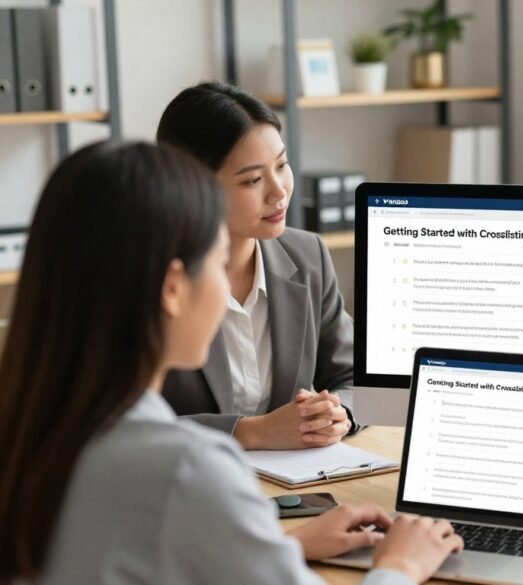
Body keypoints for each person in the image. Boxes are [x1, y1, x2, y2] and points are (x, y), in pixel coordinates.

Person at [0, 140, 462, 585]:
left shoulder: (34, 432)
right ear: (174, 287)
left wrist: (280, 546)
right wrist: (400, 564)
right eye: (219, 263)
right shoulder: (186, 470)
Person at [156, 81, 355, 450]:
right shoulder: (149, 279)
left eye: (282, 165)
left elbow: (351, 374)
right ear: (192, 186)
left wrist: (338, 414)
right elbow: (117, 423)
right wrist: (250, 432)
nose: (278, 190)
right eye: (252, 179)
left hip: (299, 480)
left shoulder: (307, 255)